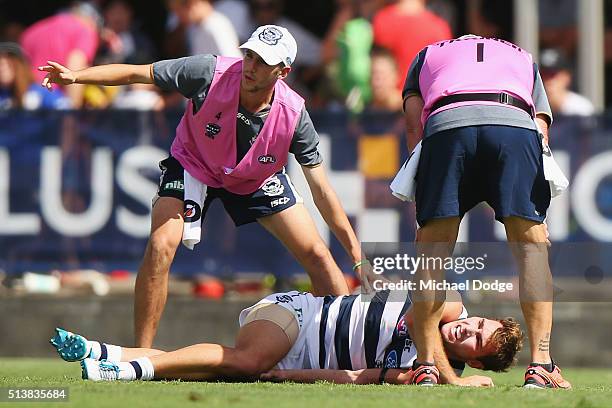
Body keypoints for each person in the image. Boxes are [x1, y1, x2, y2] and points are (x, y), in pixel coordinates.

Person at [40, 25, 365, 348]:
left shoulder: (294, 115)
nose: (250, 66)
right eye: (249, 54)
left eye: (262, 61)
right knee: (160, 246)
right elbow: (137, 74)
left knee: (319, 257)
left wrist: (356, 256)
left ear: (283, 71)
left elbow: (322, 191)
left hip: (254, 176)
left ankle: (353, 350)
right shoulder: (208, 71)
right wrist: (75, 76)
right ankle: (141, 357)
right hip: (194, 163)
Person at [400, 35, 572, 388]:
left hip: (448, 127)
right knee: (530, 251)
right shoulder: (523, 56)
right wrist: (536, 222)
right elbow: (540, 127)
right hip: (512, 126)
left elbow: (415, 127)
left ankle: (426, 365)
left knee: (432, 254)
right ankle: (541, 366)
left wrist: (424, 199)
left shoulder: (426, 54)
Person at [49, 289, 523, 383]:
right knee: (244, 360)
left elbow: (356, 375)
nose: (469, 327)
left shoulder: (426, 376)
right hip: (298, 315)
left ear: (475, 360)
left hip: (301, 356)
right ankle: (129, 372)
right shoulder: (450, 305)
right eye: (481, 323)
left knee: (214, 367)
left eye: (476, 340)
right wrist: (456, 383)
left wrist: (289, 377)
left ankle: (103, 352)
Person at [20, 1, 101, 108]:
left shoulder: (31, 31)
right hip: (56, 103)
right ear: (92, 20)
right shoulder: (85, 30)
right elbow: (76, 66)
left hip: (27, 100)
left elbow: (20, 69)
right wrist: (72, 112)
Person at [0, 42, 70, 110]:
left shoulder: (40, 93)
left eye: (8, 64)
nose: (2, 69)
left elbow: (67, 113)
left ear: (21, 67)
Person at [539, 48, 595, 116]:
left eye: (552, 75)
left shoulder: (581, 108)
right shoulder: (534, 107)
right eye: (544, 75)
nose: (548, 81)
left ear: (566, 78)